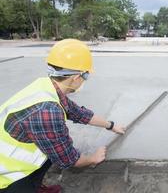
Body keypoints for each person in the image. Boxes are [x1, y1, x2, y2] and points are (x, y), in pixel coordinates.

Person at [0, 39, 126, 193]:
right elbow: (68, 160)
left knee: (50, 152)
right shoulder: (48, 111)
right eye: (86, 75)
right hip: (6, 176)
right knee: (56, 152)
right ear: (76, 77)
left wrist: (111, 125)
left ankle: (37, 185)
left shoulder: (46, 87)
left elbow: (78, 113)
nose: (85, 80)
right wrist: (93, 158)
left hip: (17, 155)